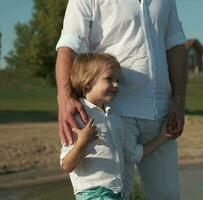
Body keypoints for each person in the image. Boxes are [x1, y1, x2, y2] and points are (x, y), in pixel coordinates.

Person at [55, 0, 187, 199]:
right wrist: (64, 97)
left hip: (161, 112)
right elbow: (70, 44)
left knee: (167, 195)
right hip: (113, 113)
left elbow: (175, 45)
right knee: (115, 194)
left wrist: (179, 101)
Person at [60, 53, 173, 200]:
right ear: (87, 82)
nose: (116, 85)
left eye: (117, 80)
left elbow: (133, 154)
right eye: (109, 79)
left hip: (118, 193)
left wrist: (164, 137)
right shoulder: (77, 118)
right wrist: (82, 142)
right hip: (94, 193)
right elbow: (67, 166)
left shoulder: (115, 119)